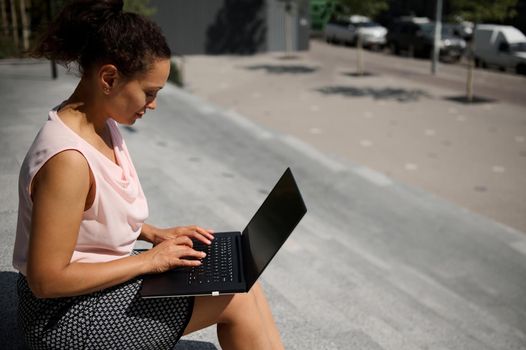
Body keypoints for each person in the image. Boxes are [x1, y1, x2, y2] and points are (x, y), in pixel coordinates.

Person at [12, 1, 284, 349]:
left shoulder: (100, 125)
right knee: (236, 296)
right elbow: (46, 281)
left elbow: (87, 214)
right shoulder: (68, 161)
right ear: (109, 78)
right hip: (63, 318)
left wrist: (154, 234)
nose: (152, 104)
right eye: (149, 92)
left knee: (244, 278)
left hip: (94, 290)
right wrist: (148, 263)